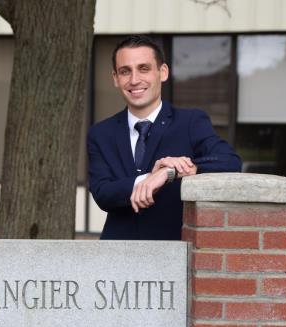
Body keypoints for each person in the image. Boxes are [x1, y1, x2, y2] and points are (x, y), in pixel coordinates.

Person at [87, 35, 241, 240]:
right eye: (125, 71)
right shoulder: (101, 133)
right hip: (117, 255)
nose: (134, 80)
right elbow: (102, 193)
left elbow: (229, 161)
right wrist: (147, 179)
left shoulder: (190, 122)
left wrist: (169, 172)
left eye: (144, 68)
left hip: (176, 252)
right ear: (115, 78)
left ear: (163, 72)